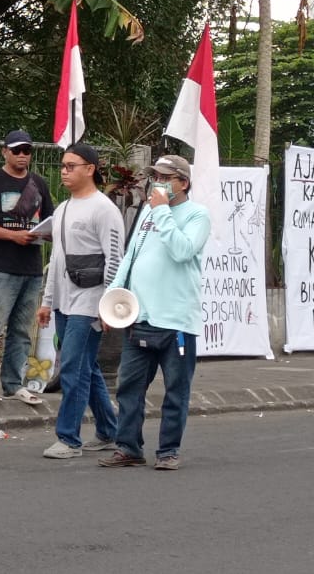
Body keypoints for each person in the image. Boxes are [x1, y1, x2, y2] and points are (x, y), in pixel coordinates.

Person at [99, 155, 209, 471]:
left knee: (176, 390)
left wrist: (161, 210)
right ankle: (128, 447)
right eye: (155, 177)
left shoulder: (197, 215)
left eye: (165, 177)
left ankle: (168, 451)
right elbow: (130, 257)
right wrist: (111, 298)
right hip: (140, 317)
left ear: (183, 183)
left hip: (176, 322)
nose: (157, 183)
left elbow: (182, 251)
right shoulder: (147, 212)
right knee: (129, 388)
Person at [37, 143, 124, 459]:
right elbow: (56, 259)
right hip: (64, 301)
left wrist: (108, 306)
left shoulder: (105, 210)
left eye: (71, 166)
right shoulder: (62, 209)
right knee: (87, 367)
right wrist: (48, 301)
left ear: (90, 169)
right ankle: (109, 431)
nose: (64, 171)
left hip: (90, 302)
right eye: (63, 166)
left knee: (73, 367)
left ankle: (68, 438)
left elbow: (115, 260)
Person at [0, 129, 54, 405]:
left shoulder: (39, 183)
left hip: (32, 267)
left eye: (27, 150)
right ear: (5, 151)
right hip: (2, 267)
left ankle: (14, 383)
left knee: (22, 331)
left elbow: (50, 220)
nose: (22, 155)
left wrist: (45, 233)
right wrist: (12, 235)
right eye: (16, 150)